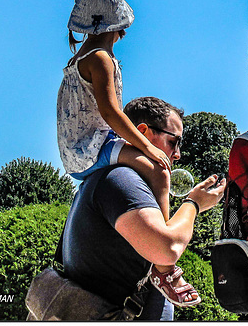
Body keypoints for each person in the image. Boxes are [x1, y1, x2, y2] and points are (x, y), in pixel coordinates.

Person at [57, 0, 200, 306]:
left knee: (154, 166)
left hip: (78, 153)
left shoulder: (75, 62)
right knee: (160, 171)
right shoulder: (101, 58)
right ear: (117, 24)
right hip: (94, 147)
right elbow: (111, 113)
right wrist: (149, 148)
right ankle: (164, 268)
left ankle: (161, 257)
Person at [62, 96, 226, 319]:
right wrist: (194, 204)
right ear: (143, 132)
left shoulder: (111, 179)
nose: (177, 154)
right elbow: (166, 249)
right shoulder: (121, 179)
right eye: (173, 142)